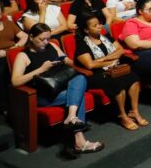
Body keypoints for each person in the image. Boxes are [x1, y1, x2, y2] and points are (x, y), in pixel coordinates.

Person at [11, 23, 104, 155]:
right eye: (41, 39)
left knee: (80, 77)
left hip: (60, 87)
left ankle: (71, 117)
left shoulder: (52, 46)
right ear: (31, 37)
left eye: (48, 38)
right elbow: (15, 81)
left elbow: (68, 61)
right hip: (43, 95)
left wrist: (67, 61)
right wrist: (41, 69)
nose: (45, 42)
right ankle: (79, 140)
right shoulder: (23, 56)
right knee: (79, 96)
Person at [75, 14, 147, 131]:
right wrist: (110, 61)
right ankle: (122, 115)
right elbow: (90, 65)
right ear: (86, 30)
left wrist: (104, 59)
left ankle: (134, 111)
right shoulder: (82, 45)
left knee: (133, 78)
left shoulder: (106, 37)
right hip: (96, 74)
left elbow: (120, 50)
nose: (99, 26)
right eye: (95, 25)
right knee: (118, 84)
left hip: (114, 69)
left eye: (99, 23)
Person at [0, 1, 28, 115]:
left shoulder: (8, 23)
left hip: (12, 53)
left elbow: (24, 36)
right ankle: (5, 106)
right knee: (2, 70)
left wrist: (15, 47)